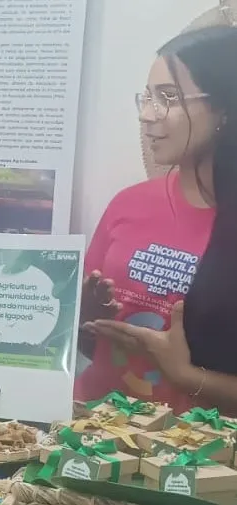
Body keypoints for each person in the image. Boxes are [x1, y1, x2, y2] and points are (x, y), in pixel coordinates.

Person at [76, 25, 237, 415]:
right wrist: (86, 317)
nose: (147, 115)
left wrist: (185, 376)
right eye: (147, 98)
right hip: (88, 433)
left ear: (223, 107)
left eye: (169, 98)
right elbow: (85, 346)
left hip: (193, 448)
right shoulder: (129, 203)